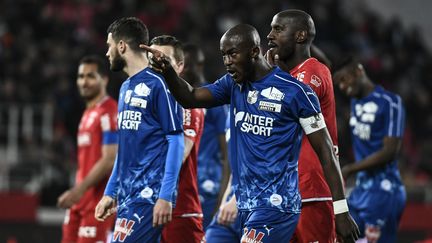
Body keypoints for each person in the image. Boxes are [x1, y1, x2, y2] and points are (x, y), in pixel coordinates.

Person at [141, 23, 359, 242]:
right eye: (224, 55)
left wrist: (341, 210)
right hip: (247, 205)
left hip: (277, 205)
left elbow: (326, 151)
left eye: (232, 54)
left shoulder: (295, 92)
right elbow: (190, 97)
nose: (227, 62)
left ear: (254, 51)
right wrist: (168, 72)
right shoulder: (233, 85)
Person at [94, 17, 184, 243]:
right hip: (127, 196)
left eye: (109, 46)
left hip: (149, 196)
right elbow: (125, 151)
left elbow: (175, 140)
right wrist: (110, 192)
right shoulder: (125, 87)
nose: (107, 53)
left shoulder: (161, 84)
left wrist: (165, 195)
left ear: (121, 46)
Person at [266, 9, 339, 243]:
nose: (270, 35)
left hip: (312, 192)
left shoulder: (312, 71)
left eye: (278, 29)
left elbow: (289, 112)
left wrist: (271, 76)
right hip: (284, 192)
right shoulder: (287, 75)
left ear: (299, 36)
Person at [333, 56, 406, 243]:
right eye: (338, 83)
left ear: (358, 71)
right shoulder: (355, 102)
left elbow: (390, 151)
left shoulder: (390, 102)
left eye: (344, 79)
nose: (342, 87)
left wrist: (350, 169)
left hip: (384, 191)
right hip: (360, 191)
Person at [148, 35, 206, 243]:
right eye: (152, 59)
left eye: (164, 59)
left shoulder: (187, 105)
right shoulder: (143, 100)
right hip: (144, 206)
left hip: (179, 210)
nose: (157, 64)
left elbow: (180, 153)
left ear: (180, 66)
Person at [57, 55, 118, 243]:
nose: (84, 82)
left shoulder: (110, 111)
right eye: (81, 76)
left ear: (104, 79)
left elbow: (110, 159)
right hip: (80, 200)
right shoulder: (87, 114)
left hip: (98, 202)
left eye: (91, 76)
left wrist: (78, 190)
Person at [182, 43, 229, 229]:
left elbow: (227, 156)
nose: (181, 69)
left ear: (199, 66)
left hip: (209, 188)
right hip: (186, 186)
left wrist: (222, 201)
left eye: (186, 64)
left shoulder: (214, 100)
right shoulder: (178, 99)